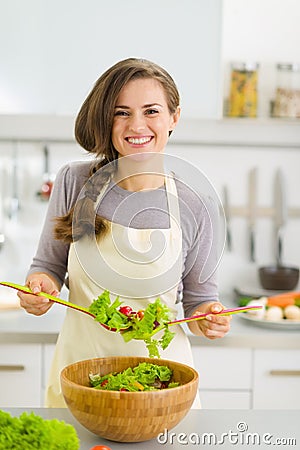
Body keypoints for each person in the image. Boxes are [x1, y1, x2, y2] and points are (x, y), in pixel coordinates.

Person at [18, 57, 231, 408]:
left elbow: (198, 303)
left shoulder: (198, 202)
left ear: (173, 117)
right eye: (121, 112)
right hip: (80, 378)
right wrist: (39, 290)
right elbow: (47, 268)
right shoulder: (74, 181)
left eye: (151, 111)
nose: (137, 125)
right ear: (106, 118)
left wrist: (210, 319)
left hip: (162, 382)